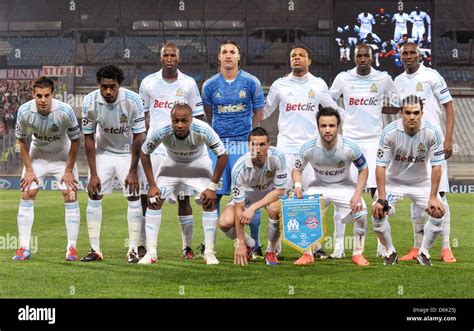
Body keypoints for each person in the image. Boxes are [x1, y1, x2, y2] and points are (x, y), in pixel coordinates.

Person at [264, 45, 344, 260]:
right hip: (285, 152)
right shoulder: (280, 85)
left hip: (312, 153)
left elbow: (333, 111)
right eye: (293, 56)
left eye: (301, 55)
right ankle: (274, 248)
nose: (296, 58)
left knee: (314, 200)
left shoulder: (318, 85)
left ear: (309, 60)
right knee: (278, 199)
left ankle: (315, 247)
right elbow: (264, 111)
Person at [329, 44, 397, 259]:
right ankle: (338, 247)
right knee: (343, 192)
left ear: (372, 57)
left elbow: (395, 104)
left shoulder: (383, 78)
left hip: (374, 141)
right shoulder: (343, 78)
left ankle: (381, 244)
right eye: (359, 55)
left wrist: (375, 107)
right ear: (354, 58)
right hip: (349, 140)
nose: (363, 58)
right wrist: (344, 112)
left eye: (366, 55)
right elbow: (329, 100)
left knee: (377, 194)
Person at [139, 103, 228, 265]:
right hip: (171, 165)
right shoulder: (162, 130)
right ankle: (151, 253)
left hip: (198, 164)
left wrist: (212, 187)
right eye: (176, 121)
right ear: (171, 120)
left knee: (209, 202)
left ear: (191, 120)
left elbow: (223, 155)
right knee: (153, 201)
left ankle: (209, 253)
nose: (180, 125)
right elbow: (144, 153)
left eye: (184, 121)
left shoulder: (203, 129)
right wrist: (152, 185)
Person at [139, 42, 205, 260]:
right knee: (149, 197)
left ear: (178, 59)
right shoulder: (148, 82)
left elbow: (198, 116)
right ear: (160, 58)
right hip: (155, 148)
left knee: (184, 199)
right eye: (165, 54)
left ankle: (187, 247)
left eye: (172, 55)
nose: (168, 58)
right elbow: (142, 116)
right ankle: (144, 246)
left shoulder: (188, 83)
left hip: (181, 150)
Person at [393, 42, 456, 263]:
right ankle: (416, 247)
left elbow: (449, 106)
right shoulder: (398, 82)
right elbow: (395, 110)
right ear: (400, 57)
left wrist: (447, 138)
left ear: (419, 55)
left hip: (435, 143)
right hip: (411, 146)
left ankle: (446, 247)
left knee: (441, 195)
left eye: (412, 53)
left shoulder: (432, 76)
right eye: (405, 54)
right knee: (414, 194)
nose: (408, 56)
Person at [201, 40, 265, 258]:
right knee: (213, 197)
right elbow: (210, 115)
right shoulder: (209, 86)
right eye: (224, 52)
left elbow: (258, 114)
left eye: (232, 52)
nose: (228, 56)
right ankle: (209, 246)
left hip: (243, 147)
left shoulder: (251, 82)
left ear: (239, 57)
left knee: (249, 198)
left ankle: (255, 245)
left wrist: (250, 140)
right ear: (219, 57)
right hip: (219, 148)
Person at [81, 65, 146, 263]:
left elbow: (138, 137)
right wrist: (93, 173)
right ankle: (95, 249)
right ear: (98, 85)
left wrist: (133, 171)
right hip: (104, 152)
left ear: (119, 86)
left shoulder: (133, 100)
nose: (108, 91)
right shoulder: (89, 101)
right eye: (104, 87)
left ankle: (133, 250)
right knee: (94, 194)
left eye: (112, 87)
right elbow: (89, 137)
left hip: (127, 153)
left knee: (134, 196)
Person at [12, 76, 81, 261]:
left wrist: (68, 171)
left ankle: (71, 248)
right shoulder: (24, 111)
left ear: (53, 95)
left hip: (62, 155)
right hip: (38, 155)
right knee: (27, 193)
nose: (42, 100)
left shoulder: (65, 111)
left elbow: (76, 141)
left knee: (70, 194)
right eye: (39, 96)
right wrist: (28, 169)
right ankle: (24, 248)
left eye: (46, 96)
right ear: (33, 95)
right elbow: (21, 140)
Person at [372, 96, 446, 266]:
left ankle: (424, 252)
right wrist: (382, 198)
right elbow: (381, 166)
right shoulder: (389, 132)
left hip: (421, 182)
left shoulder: (432, 132)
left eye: (415, 113)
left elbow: (436, 166)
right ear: (401, 113)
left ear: (422, 113)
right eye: (407, 113)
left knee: (439, 213)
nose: (412, 117)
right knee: (377, 213)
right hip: (394, 181)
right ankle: (390, 252)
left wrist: (433, 196)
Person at [292, 107, 370, 266]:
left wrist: (357, 194)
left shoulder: (350, 146)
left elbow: (364, 169)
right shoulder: (308, 147)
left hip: (344, 186)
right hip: (319, 186)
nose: (327, 130)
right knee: (302, 209)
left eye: (331, 126)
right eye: (323, 126)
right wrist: (298, 186)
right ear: (318, 126)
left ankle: (357, 253)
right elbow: (297, 169)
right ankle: (307, 253)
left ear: (338, 126)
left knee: (361, 214)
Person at [218, 127, 287, 266]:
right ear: (248, 146)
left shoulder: (278, 157)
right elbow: (239, 207)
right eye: (254, 144)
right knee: (224, 222)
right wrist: (240, 243)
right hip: (246, 198)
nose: (258, 149)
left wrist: (253, 208)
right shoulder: (239, 168)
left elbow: (279, 190)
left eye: (262, 144)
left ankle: (270, 251)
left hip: (270, 194)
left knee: (275, 209)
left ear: (268, 145)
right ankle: (251, 245)